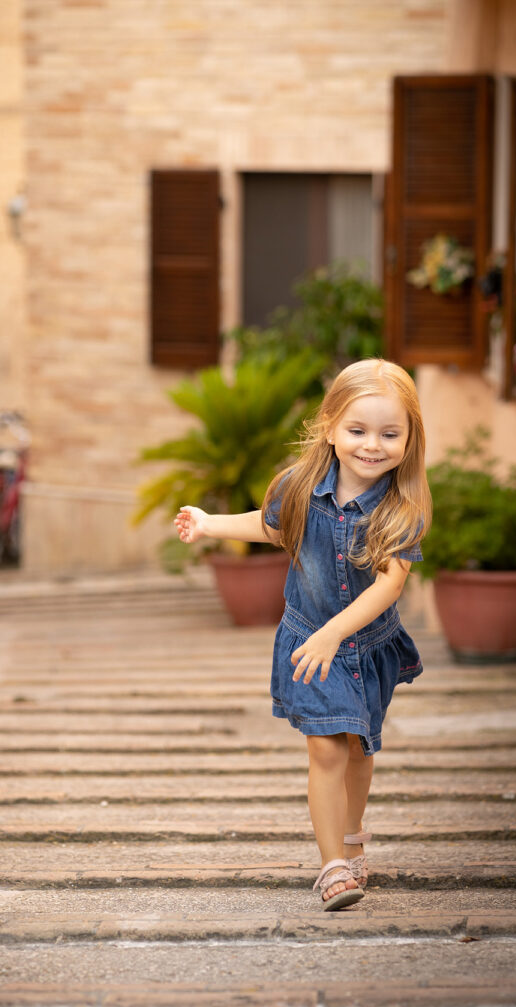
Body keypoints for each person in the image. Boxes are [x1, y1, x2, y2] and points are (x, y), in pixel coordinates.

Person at [174, 358, 432, 912]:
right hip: (311, 640)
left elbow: (387, 589)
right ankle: (332, 866)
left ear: (410, 439)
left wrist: (337, 635)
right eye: (358, 430)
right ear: (332, 426)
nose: (372, 445)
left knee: (360, 750)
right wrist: (210, 523)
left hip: (365, 643)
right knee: (326, 749)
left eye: (390, 434)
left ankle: (353, 835)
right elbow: (271, 526)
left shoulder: (402, 509)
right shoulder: (300, 486)